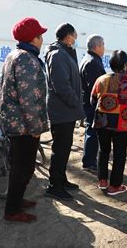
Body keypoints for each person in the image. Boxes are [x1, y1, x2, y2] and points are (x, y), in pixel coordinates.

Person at [0, 17, 49, 223]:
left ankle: (17, 200)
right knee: (23, 168)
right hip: (24, 126)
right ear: (33, 38)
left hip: (16, 122)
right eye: (40, 36)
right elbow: (28, 97)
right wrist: (35, 127)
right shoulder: (27, 59)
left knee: (22, 166)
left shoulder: (15, 55)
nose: (42, 39)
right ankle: (12, 210)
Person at [91, 50, 127, 195]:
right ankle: (115, 186)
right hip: (122, 122)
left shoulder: (101, 79)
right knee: (119, 154)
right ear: (124, 64)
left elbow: (93, 100)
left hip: (102, 121)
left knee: (103, 151)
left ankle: (102, 181)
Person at [44, 23, 84, 200]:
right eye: (75, 36)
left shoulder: (64, 53)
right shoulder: (58, 54)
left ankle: (61, 179)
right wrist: (75, 102)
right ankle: (54, 185)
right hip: (62, 110)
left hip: (66, 110)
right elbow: (61, 85)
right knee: (60, 149)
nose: (75, 40)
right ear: (68, 36)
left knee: (65, 148)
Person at [79, 34, 106, 173]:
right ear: (97, 47)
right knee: (93, 131)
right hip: (93, 104)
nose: (104, 48)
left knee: (92, 130)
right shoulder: (92, 62)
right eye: (103, 45)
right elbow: (95, 88)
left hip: (90, 103)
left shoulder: (91, 59)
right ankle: (89, 162)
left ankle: (89, 160)